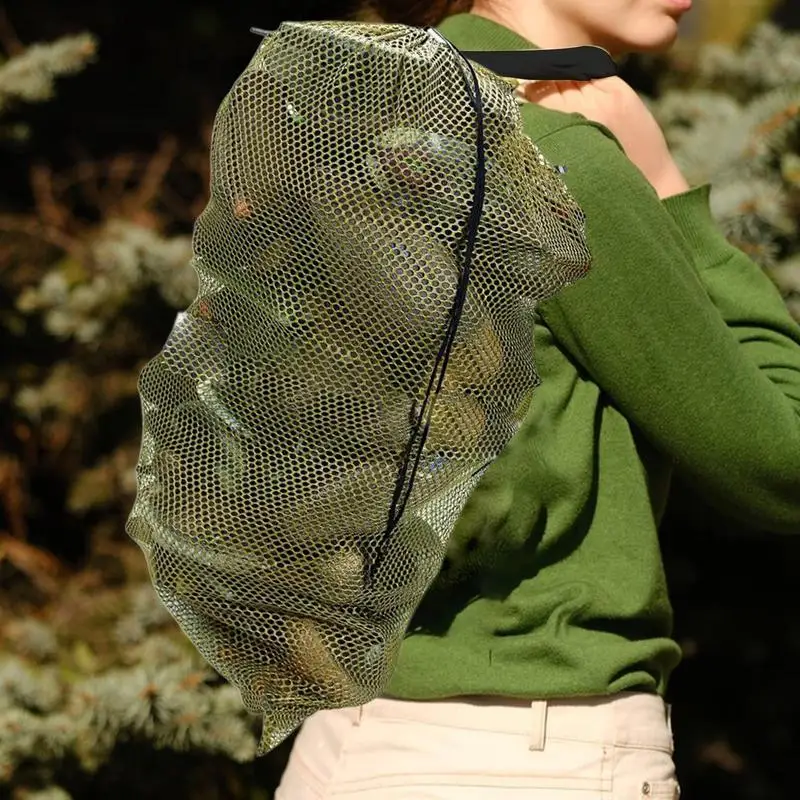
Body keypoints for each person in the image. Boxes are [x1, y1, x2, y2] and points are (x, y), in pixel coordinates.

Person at [275, 1, 800, 798]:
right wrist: (667, 193)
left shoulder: (363, 125)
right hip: (524, 750)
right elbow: (783, 465)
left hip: (348, 742)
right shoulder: (560, 162)